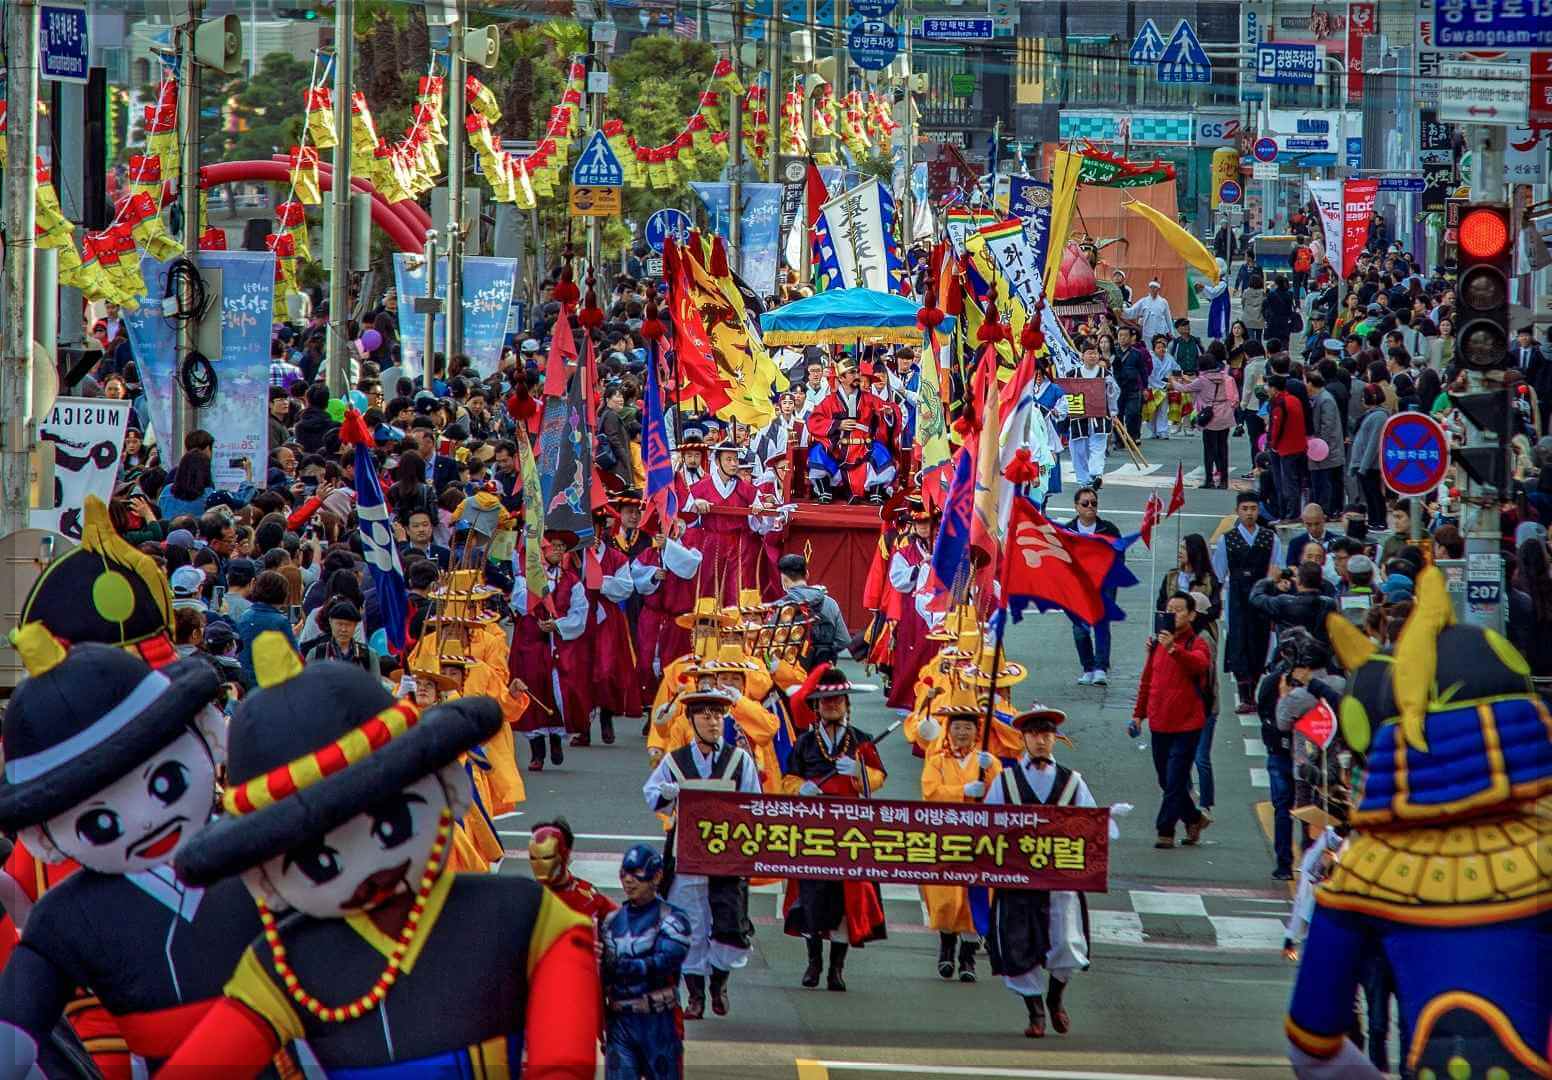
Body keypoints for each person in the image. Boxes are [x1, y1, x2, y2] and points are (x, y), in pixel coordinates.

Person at [159, 638, 600, 1080]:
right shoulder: (286, 963)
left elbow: (564, 1020)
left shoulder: (515, 913)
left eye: (391, 824)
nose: (364, 863)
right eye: (319, 861)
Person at [986, 702, 1113, 1038]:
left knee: (1066, 943)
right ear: (1023, 739)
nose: (1040, 740)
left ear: (1055, 739)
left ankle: (1056, 997)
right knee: (1017, 944)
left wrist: (1108, 821)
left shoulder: (1073, 782)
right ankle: (1035, 1010)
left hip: (1060, 882)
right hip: (1017, 879)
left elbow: (1093, 824)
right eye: (1033, 734)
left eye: (1046, 734)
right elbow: (985, 826)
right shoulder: (1006, 781)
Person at [643, 687, 760, 1020]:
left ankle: (719, 984)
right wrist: (667, 795)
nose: (713, 721)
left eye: (718, 715)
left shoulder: (740, 760)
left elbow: (755, 802)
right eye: (706, 715)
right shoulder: (676, 761)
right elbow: (652, 793)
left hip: (727, 857)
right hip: (687, 857)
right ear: (691, 720)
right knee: (689, 924)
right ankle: (695, 996)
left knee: (730, 926)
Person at [782, 668, 888, 990]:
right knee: (812, 894)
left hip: (851, 831)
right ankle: (813, 963)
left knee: (847, 897)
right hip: (815, 829)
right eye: (825, 701)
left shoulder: (861, 740)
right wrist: (801, 788)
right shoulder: (803, 743)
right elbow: (787, 779)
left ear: (846, 704)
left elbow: (879, 778)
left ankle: (836, 969)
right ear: (816, 706)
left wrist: (859, 770)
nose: (832, 705)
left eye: (837, 700)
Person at [919, 701, 1001, 982]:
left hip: (979, 838)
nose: (962, 732)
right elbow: (931, 792)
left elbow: (1002, 794)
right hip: (946, 836)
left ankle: (967, 959)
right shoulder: (937, 760)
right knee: (945, 897)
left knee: (973, 898)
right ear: (948, 730)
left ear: (977, 731)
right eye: (957, 727)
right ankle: (945, 950)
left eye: (968, 727)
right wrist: (962, 790)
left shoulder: (986, 761)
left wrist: (992, 772)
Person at [600, 844, 692, 1080]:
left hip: (658, 1022)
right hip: (620, 1021)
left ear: (657, 876)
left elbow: (667, 960)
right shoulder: (611, 921)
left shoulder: (673, 919)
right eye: (625, 873)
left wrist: (622, 966)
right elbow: (601, 974)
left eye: (636, 873)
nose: (629, 881)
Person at [1131, 592, 1212, 848]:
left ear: (1191, 615)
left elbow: (1199, 665)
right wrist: (1138, 714)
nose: (1173, 614)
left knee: (1176, 776)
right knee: (1165, 779)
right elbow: (1147, 681)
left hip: (1188, 724)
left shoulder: (1196, 644)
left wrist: (1173, 649)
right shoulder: (1156, 645)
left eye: (1179, 610)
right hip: (1159, 722)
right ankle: (1193, 817)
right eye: (1170, 609)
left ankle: (1165, 830)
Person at [1212, 492, 1282, 712]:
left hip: (1262, 597)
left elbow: (1277, 569)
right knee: (1239, 644)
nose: (1250, 513)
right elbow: (1218, 573)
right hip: (1237, 598)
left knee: (1260, 644)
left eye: (1253, 508)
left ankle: (1254, 690)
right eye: (1245, 509)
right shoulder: (1228, 539)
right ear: (1237, 511)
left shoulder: (1270, 537)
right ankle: (1245, 696)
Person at [805, 357, 897, 504]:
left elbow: (891, 411)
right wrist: (837, 424)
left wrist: (889, 414)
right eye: (852, 373)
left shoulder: (870, 399)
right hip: (839, 447)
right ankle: (825, 489)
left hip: (864, 447)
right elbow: (813, 421)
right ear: (841, 378)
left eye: (857, 372)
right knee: (818, 451)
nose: (857, 376)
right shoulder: (830, 401)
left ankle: (876, 491)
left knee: (881, 452)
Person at [1063, 488, 1120, 685]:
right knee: (1080, 628)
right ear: (1076, 507)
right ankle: (1087, 668)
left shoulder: (1109, 529)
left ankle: (1101, 668)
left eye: (1094, 503)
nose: (1090, 507)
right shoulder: (1067, 530)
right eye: (1085, 503)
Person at [1171, 346, 1238, 489]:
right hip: (1225, 414)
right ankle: (1224, 480)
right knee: (1223, 448)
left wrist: (1173, 381)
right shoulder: (1225, 377)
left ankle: (1209, 480)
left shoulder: (1202, 380)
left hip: (1211, 417)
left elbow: (1183, 389)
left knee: (1209, 450)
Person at [777, 554, 849, 666]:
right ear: (807, 574)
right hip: (824, 670)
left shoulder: (782, 606)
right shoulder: (830, 603)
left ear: (784, 579)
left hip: (791, 673)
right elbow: (844, 641)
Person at [1122, 278, 1173, 345]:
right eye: (1151, 287)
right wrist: (1122, 310)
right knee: (1149, 352)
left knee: (1160, 350)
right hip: (1147, 332)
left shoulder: (1163, 302)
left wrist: (1171, 332)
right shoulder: (1143, 301)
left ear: (1158, 289)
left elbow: (1168, 317)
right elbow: (1133, 311)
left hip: (1160, 332)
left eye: (1154, 287)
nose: (1152, 289)